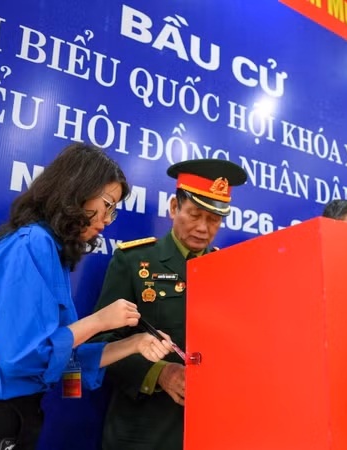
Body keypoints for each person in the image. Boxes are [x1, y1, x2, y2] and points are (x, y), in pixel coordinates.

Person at [0, 143, 174, 450]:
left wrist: (133, 344)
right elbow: (22, 358)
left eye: (114, 210)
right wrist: (98, 322)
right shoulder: (33, 244)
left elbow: (60, 358)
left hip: (15, 419)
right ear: (76, 190)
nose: (108, 220)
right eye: (107, 204)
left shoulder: (50, 252)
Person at [93, 158, 248, 450]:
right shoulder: (134, 261)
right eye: (194, 215)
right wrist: (160, 373)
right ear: (174, 208)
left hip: (213, 429)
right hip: (145, 430)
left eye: (214, 219)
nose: (203, 228)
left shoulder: (229, 270)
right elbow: (102, 343)